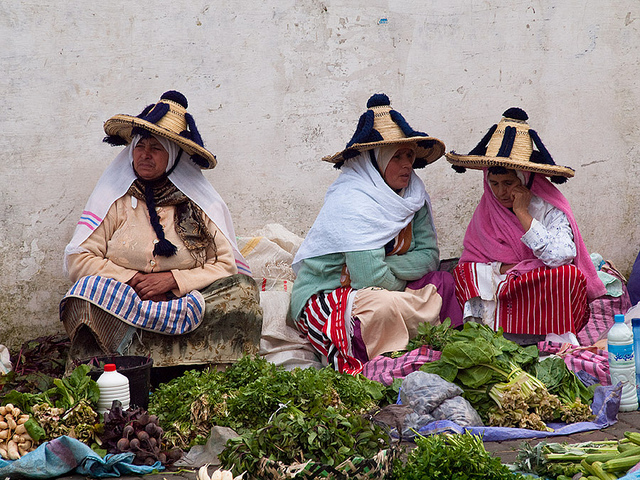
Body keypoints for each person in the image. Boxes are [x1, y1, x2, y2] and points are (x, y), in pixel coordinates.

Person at [60, 90, 262, 365]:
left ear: (173, 156)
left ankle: (201, 366)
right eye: (140, 147)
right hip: (126, 301)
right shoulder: (115, 199)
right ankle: (113, 367)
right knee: (84, 293)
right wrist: (131, 279)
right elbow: (78, 259)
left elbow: (226, 264)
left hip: (185, 301)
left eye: (156, 148)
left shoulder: (197, 204)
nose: (145, 155)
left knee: (242, 290)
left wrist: (173, 281)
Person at [291, 93, 463, 374]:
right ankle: (386, 359)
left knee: (443, 281)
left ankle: (407, 342)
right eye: (397, 157)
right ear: (375, 161)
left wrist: (388, 267)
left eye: (410, 155)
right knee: (381, 305)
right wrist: (399, 275)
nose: (407, 164)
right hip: (333, 293)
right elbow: (368, 278)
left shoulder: (412, 196)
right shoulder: (352, 200)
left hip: (380, 287)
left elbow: (430, 257)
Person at [445, 107, 606, 341]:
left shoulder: (549, 208)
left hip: (538, 287)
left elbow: (562, 256)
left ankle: (553, 342)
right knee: (463, 274)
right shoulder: (486, 211)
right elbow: (471, 262)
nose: (500, 192)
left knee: (566, 276)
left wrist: (522, 213)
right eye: (494, 183)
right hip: (505, 283)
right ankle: (489, 338)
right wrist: (508, 270)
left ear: (524, 179)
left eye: (509, 183)